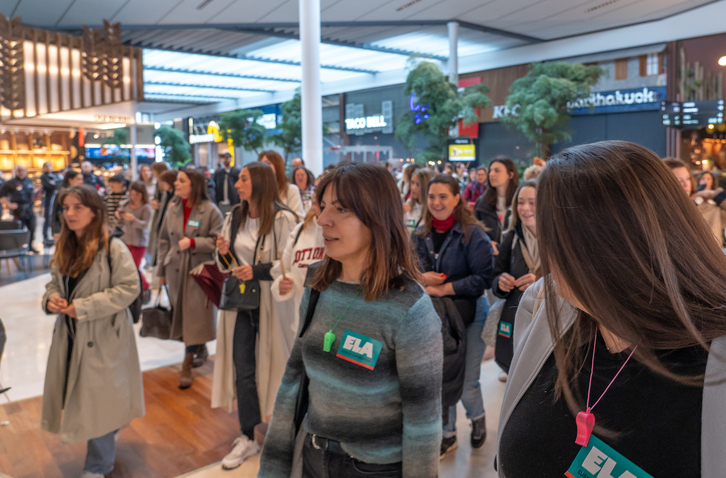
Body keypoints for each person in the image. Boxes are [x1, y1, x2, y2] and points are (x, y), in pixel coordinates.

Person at [497, 141, 726, 478]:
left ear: (606, 246)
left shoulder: (713, 364)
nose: (547, 249)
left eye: (555, 234)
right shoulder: (543, 309)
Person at [259, 162, 443, 478]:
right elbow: (293, 381)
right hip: (313, 458)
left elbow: (422, 423)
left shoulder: (410, 308)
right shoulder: (317, 286)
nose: (323, 220)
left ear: (377, 217)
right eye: (324, 206)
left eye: (341, 209)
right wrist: (272, 467)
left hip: (373, 469)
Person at [41, 185, 143, 478]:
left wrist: (84, 307)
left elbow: (129, 288)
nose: (69, 214)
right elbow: (53, 284)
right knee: (91, 396)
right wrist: (51, 300)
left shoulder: (112, 247)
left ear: (94, 212)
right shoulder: (65, 246)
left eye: (76, 207)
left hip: (104, 336)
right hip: (71, 335)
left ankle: (98, 466)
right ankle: (109, 432)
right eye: (65, 208)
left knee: (97, 399)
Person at [214, 162, 298, 470]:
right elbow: (226, 264)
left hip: (273, 303)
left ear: (260, 182)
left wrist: (258, 270)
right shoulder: (234, 216)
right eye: (238, 179)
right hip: (241, 303)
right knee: (243, 368)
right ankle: (247, 434)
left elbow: (291, 261)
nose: (237, 184)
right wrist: (223, 251)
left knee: (279, 364)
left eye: (243, 179)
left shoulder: (284, 219)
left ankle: (285, 434)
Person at [412, 174, 495, 457]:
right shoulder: (420, 234)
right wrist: (423, 279)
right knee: (442, 377)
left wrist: (444, 288)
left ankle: (477, 418)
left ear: (457, 198)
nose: (436, 202)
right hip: (435, 318)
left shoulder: (474, 235)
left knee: (468, 381)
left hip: (470, 315)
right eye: (432, 197)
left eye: (443, 196)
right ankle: (447, 432)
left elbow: (483, 278)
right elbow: (412, 271)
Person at [157, 169, 223, 389]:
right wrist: (160, 272)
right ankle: (199, 347)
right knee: (185, 316)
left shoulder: (210, 210)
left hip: (199, 273)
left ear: (193, 185)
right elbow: (163, 240)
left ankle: (186, 364)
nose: (176, 183)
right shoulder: (172, 208)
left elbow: (218, 240)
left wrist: (194, 243)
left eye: (181, 180)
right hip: (175, 270)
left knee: (195, 316)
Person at [491, 180, 540, 373]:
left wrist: (540, 282)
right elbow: (495, 275)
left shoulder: (558, 240)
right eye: (520, 202)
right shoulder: (511, 239)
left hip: (548, 321)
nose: (525, 208)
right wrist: (500, 283)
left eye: (532, 202)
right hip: (518, 317)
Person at [270, 177, 325, 333]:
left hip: (334, 327)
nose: (316, 194)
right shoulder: (300, 230)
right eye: (315, 189)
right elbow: (284, 268)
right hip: (302, 324)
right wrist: (283, 282)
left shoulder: (346, 235)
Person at [665, 158, 726, 245]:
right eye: (679, 180)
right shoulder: (663, 212)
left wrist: (715, 194)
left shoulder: (708, 208)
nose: (686, 184)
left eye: (688, 178)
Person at [474, 157, 519, 253]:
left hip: (515, 256)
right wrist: (486, 242)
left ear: (510, 175)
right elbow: (474, 231)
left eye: (497, 171)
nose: (491, 174)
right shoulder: (482, 202)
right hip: (490, 256)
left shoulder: (520, 201)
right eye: (490, 171)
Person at [116, 181, 152, 292]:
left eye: (137, 194)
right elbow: (118, 218)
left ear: (142, 194)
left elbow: (145, 224)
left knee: (134, 267)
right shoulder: (126, 204)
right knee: (126, 267)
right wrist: (119, 216)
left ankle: (144, 286)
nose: (134, 197)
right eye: (132, 194)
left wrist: (133, 219)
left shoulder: (146, 207)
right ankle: (135, 287)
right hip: (125, 239)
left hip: (139, 241)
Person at [0, 165, 39, 253]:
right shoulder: (10, 183)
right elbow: (2, 196)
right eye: (19, 170)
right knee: (18, 230)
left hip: (29, 209)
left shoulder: (29, 181)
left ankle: (30, 246)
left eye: (23, 170)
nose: (21, 172)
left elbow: (33, 193)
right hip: (18, 211)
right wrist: (9, 205)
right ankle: (18, 248)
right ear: (16, 172)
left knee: (32, 228)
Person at [258, 150, 304, 217]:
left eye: (267, 163)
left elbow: (298, 218)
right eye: (261, 165)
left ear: (277, 166)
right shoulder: (257, 191)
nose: (263, 167)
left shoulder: (291, 190)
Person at [149, 169, 177, 268]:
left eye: (164, 181)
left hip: (170, 231)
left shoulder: (177, 197)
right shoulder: (166, 195)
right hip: (161, 226)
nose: (162, 184)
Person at [52, 170, 84, 239]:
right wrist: (55, 231)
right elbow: (54, 212)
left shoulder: (81, 193)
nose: (81, 181)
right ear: (70, 180)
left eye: (82, 179)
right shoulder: (62, 193)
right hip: (64, 226)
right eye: (78, 179)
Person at [403, 168, 435, 233]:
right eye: (412, 183)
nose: (413, 187)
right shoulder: (407, 205)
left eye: (418, 184)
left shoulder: (433, 210)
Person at [40, 162, 61, 245]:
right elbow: (49, 186)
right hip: (48, 200)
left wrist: (54, 184)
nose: (48, 167)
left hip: (56, 199)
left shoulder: (55, 176)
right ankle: (45, 237)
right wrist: (53, 184)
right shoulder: (43, 177)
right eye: (46, 166)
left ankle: (55, 235)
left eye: (49, 166)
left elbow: (58, 185)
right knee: (47, 218)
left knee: (55, 217)